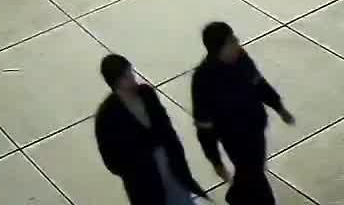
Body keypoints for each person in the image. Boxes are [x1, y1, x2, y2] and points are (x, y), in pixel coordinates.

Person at [191, 23, 293, 205]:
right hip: (234, 138)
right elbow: (204, 127)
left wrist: (279, 107)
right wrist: (216, 161)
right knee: (254, 175)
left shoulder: (241, 58)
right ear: (220, 48)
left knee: (251, 171)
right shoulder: (203, 79)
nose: (237, 42)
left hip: (255, 129)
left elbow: (259, 84)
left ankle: (237, 196)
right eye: (231, 41)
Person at [96, 54, 210, 205]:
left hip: (171, 169)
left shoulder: (146, 94)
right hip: (146, 183)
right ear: (116, 82)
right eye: (126, 76)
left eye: (131, 73)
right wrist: (135, 169)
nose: (132, 79)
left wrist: (177, 156)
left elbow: (166, 128)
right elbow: (111, 158)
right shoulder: (107, 116)